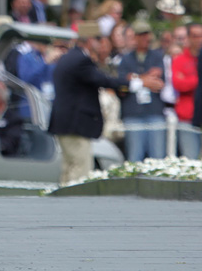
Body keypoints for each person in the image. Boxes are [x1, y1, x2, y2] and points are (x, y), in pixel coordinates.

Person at [48, 21, 130, 186]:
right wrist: (131, 83)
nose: (101, 43)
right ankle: (75, 206)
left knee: (69, 166)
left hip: (65, 122)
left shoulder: (69, 57)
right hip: (75, 125)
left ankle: (63, 202)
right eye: (98, 39)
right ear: (90, 40)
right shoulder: (80, 60)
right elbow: (102, 79)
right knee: (81, 168)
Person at [116, 21, 168, 162]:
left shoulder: (157, 56)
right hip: (133, 113)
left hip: (154, 112)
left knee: (158, 157)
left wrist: (134, 79)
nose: (146, 38)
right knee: (135, 156)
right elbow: (122, 85)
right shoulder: (125, 59)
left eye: (147, 35)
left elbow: (159, 83)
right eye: (141, 35)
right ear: (135, 37)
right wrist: (145, 79)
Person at [171, 23, 201, 158]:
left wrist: (189, 78)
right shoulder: (180, 60)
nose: (199, 39)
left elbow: (184, 82)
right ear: (188, 37)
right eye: (195, 36)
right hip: (187, 116)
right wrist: (198, 79)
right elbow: (179, 84)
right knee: (190, 160)